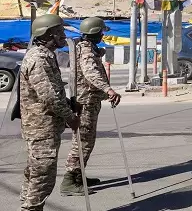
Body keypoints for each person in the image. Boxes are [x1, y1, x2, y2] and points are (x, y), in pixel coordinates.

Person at [19, 14, 80, 211]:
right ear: (47, 34)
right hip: (41, 128)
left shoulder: (46, 55)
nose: (63, 36)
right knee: (42, 175)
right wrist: (70, 117)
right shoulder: (39, 59)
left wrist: (69, 103)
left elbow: (52, 91)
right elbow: (49, 96)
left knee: (35, 173)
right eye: (59, 32)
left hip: (44, 127)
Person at [60, 17, 121, 196]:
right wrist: (108, 89)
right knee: (83, 141)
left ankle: (78, 176)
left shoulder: (87, 47)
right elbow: (91, 73)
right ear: (95, 33)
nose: (103, 35)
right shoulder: (86, 50)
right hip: (85, 101)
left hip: (88, 99)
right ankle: (69, 181)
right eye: (101, 32)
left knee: (86, 140)